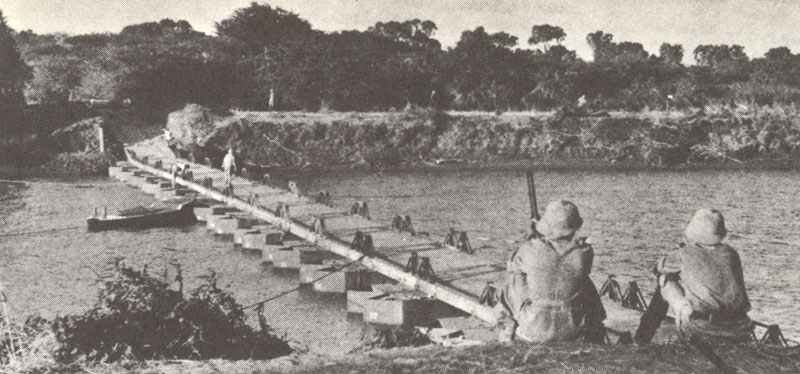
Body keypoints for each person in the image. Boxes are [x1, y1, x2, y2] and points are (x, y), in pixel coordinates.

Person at [636, 209, 753, 344]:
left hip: (704, 329)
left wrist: (680, 251)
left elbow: (658, 269)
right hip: (740, 327)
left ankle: (642, 337)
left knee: (665, 280)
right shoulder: (732, 254)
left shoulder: (684, 254)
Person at [497, 200, 606, 343]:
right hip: (571, 330)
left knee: (513, 278)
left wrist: (533, 237)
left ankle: (506, 333)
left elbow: (522, 264)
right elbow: (558, 260)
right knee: (585, 283)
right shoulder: (585, 253)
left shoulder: (528, 249)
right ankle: (595, 331)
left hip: (533, 329)